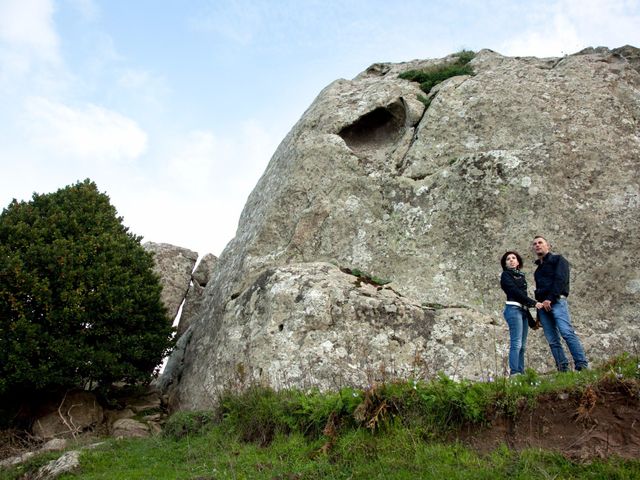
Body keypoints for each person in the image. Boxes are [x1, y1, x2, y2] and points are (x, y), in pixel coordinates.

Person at [532, 235, 588, 371]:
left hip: (556, 301)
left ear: (548, 246)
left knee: (566, 332)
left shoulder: (558, 260)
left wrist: (550, 298)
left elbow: (560, 279)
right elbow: (538, 292)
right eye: (535, 244)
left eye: (540, 242)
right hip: (543, 308)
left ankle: (581, 364)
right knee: (552, 339)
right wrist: (539, 315)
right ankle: (562, 368)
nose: (537, 245)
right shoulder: (537, 271)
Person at [500, 250, 543, 376]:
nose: (511, 260)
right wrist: (534, 303)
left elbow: (522, 297)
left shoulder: (521, 276)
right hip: (513, 310)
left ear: (518, 262)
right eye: (508, 259)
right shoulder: (506, 275)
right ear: (505, 264)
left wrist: (531, 319)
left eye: (514, 258)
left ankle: (521, 373)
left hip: (522, 311)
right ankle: (515, 373)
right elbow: (514, 292)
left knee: (522, 346)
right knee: (516, 343)